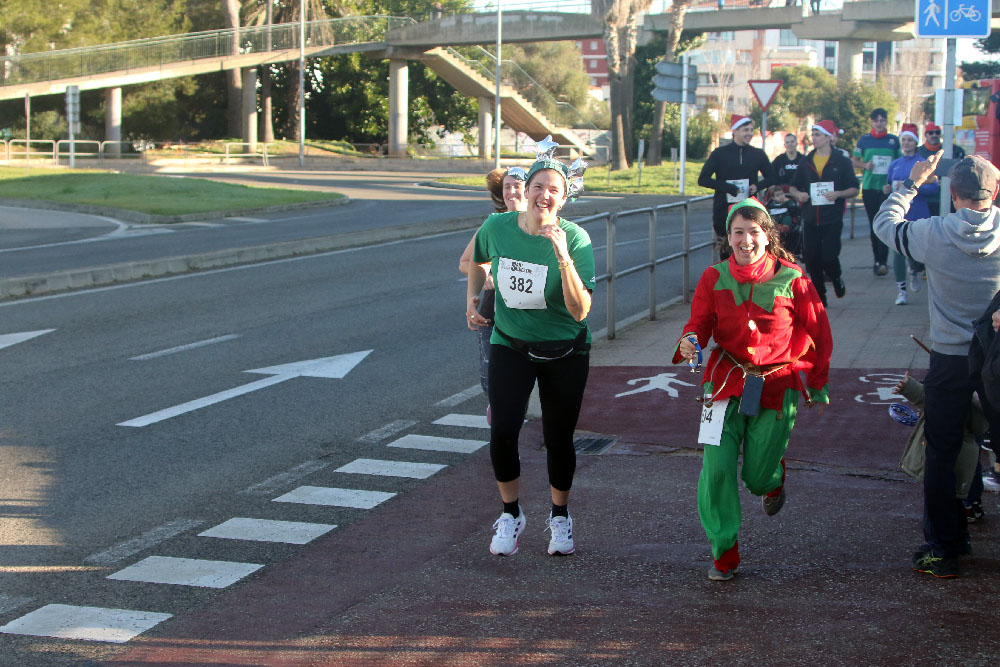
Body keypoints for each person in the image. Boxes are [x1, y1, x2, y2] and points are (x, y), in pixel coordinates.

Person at [673, 198, 832, 581]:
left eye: (754, 232)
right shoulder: (714, 277)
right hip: (724, 382)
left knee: (756, 479)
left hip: (777, 387)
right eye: (738, 232)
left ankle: (772, 477)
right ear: (727, 237)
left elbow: (819, 333)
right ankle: (724, 554)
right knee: (717, 470)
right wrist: (689, 340)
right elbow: (698, 324)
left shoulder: (794, 278)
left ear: (768, 235)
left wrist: (818, 384)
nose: (746, 240)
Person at [873, 153, 1000, 578]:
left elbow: (884, 224)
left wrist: (911, 183)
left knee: (941, 451)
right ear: (995, 192)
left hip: (951, 356)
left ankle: (945, 547)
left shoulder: (935, 232)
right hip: (997, 354)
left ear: (952, 193)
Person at [466, 146, 595, 558]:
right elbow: (476, 258)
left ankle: (560, 516)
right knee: (503, 429)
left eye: (553, 189)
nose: (544, 195)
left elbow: (581, 311)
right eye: (538, 186)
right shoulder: (498, 226)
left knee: (559, 439)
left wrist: (561, 256)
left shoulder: (575, 238)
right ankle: (511, 512)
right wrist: (472, 298)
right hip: (511, 344)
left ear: (563, 196)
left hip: (564, 351)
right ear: (527, 190)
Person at [460, 167, 528, 421]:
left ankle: (510, 423)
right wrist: (487, 275)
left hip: (529, 316)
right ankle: (502, 420)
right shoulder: (494, 224)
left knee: (520, 380)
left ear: (531, 189)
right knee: (491, 380)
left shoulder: (542, 223)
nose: (512, 192)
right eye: (507, 187)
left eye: (517, 185)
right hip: (493, 314)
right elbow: (466, 262)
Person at [788, 120, 860, 306]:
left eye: (818, 135)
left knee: (828, 256)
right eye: (813, 135)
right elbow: (794, 186)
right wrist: (799, 194)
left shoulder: (841, 161)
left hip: (832, 217)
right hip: (810, 217)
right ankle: (820, 296)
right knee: (811, 259)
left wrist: (838, 194)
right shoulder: (806, 162)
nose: (814, 138)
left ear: (829, 137)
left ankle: (836, 279)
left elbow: (854, 188)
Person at [698, 115, 775, 258]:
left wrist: (757, 186)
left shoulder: (757, 154)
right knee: (727, 253)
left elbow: (772, 177)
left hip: (749, 210)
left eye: (752, 130)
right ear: (735, 131)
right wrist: (726, 187)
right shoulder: (719, 154)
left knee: (748, 252)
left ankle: (748, 279)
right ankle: (728, 280)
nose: (749, 133)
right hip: (724, 211)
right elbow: (703, 179)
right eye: (746, 130)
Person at [883, 124, 936, 305]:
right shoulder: (895, 164)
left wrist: (914, 188)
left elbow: (934, 188)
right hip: (899, 215)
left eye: (910, 140)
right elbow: (888, 185)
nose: (906, 143)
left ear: (915, 142)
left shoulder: (922, 163)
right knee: (897, 251)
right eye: (904, 140)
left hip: (918, 213)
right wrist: (888, 189)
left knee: (917, 253)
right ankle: (901, 291)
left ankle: (915, 270)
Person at [853, 108, 900, 277]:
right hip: (869, 187)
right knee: (874, 225)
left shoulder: (893, 141)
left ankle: (883, 262)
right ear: (872, 122)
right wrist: (865, 166)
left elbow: (899, 162)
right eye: (876, 120)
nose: (879, 123)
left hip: (886, 188)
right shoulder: (864, 140)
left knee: (886, 223)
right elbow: (855, 160)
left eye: (882, 120)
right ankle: (877, 261)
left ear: (886, 122)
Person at [917, 122, 966, 216]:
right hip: (925, 199)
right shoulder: (918, 151)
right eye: (931, 132)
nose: (934, 135)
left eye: (937, 132)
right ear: (926, 134)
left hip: (946, 199)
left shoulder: (953, 150)